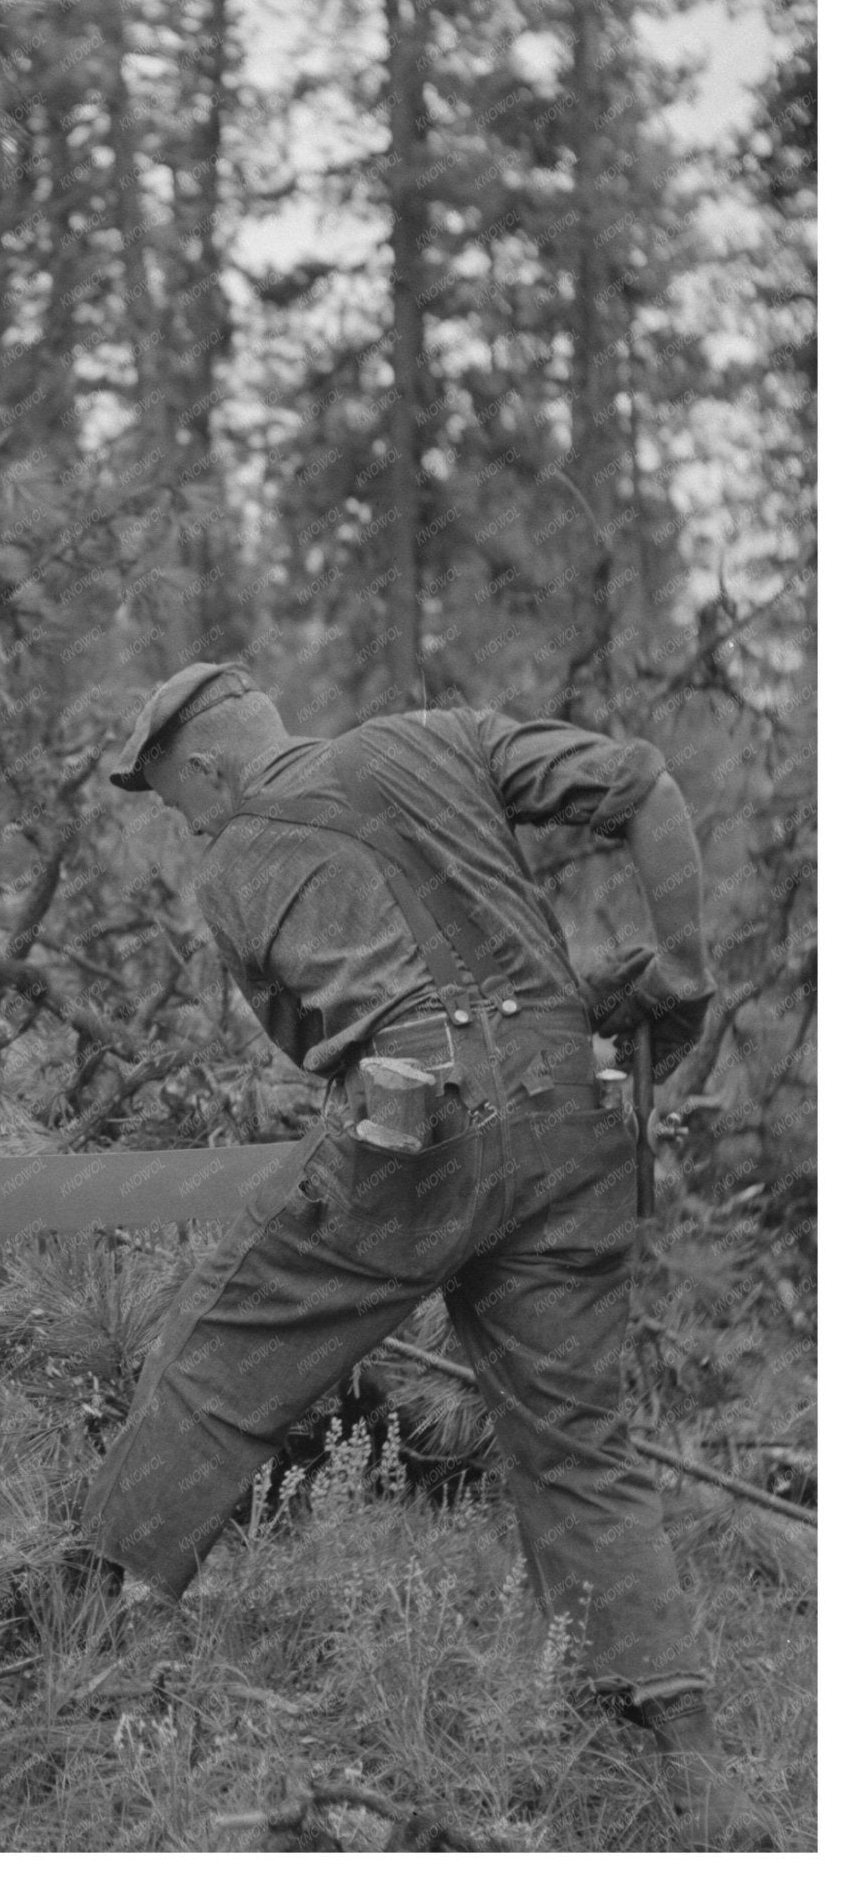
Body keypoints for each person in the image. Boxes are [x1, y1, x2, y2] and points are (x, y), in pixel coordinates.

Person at [86, 662, 762, 1850]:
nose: (180, 817)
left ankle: (99, 1617)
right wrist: (680, 971)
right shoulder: (444, 734)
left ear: (204, 765)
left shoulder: (234, 863)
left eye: (168, 793)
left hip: (415, 1142)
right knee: (576, 1441)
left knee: (218, 1352)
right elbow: (644, 785)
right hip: (574, 1121)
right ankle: (683, 1753)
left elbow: (311, 1045)